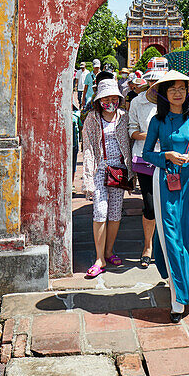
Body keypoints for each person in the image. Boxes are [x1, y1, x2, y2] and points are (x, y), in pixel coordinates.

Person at [142, 72, 189, 321]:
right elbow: (147, 153)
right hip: (165, 182)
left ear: (188, 92)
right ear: (164, 94)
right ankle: (178, 299)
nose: (178, 93)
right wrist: (167, 156)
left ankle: (182, 282)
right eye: (172, 89)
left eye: (182, 88)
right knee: (172, 238)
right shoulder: (157, 121)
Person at [81, 79, 133, 278]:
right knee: (100, 211)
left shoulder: (124, 117)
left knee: (115, 212)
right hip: (100, 169)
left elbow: (130, 141)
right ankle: (99, 258)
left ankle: (109, 251)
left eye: (114, 97)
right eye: (106, 98)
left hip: (119, 169)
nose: (111, 101)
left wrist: (132, 172)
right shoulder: (93, 118)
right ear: (99, 99)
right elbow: (87, 148)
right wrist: (88, 176)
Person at [128, 68, 160, 269]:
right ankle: (148, 246)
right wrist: (148, 135)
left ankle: (164, 246)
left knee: (167, 204)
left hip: (168, 159)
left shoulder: (172, 102)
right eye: (152, 81)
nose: (155, 84)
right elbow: (132, 130)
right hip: (144, 156)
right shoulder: (137, 102)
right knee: (149, 204)